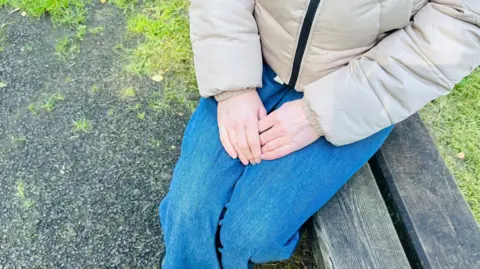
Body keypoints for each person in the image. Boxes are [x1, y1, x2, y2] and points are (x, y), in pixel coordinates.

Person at [159, 0, 480, 268]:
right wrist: (233, 87)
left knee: (251, 236)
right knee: (187, 212)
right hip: (253, 54)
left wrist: (320, 114)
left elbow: (461, 26)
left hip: (359, 86)